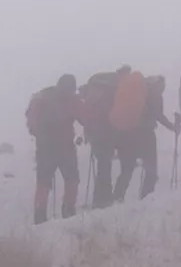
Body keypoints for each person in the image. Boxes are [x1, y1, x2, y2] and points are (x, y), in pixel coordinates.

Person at [26, 74, 85, 224]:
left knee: (44, 182)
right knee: (72, 179)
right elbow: (85, 117)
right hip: (65, 147)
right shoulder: (71, 100)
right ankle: (68, 210)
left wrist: (41, 135)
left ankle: (40, 215)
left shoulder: (44, 97)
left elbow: (32, 125)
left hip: (46, 148)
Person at [114, 74, 179, 200]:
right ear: (158, 85)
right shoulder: (155, 95)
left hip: (127, 134)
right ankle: (146, 197)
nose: (164, 88)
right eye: (163, 85)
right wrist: (172, 127)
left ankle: (117, 196)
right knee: (151, 169)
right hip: (146, 135)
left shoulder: (136, 93)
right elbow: (158, 115)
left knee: (127, 169)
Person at [77, 65, 128, 208]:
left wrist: (88, 132)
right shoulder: (110, 90)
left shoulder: (95, 93)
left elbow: (89, 116)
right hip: (107, 131)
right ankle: (103, 198)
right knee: (105, 164)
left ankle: (101, 197)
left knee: (103, 165)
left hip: (96, 132)